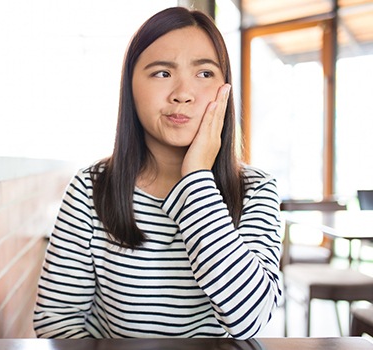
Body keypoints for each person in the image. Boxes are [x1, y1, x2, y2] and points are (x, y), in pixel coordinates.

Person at [33, 6, 282, 339]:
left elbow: (250, 320)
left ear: (226, 88)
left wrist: (196, 179)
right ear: (130, 87)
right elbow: (56, 321)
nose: (182, 93)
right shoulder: (91, 188)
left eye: (204, 73)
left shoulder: (255, 189)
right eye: (162, 73)